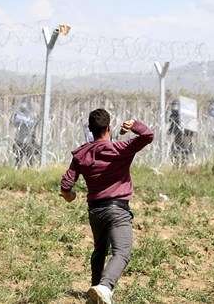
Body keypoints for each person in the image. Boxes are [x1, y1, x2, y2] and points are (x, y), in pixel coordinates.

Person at [59, 108, 153, 304]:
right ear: (109, 128)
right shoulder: (120, 149)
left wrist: (70, 195)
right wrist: (134, 125)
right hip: (117, 210)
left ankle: (94, 290)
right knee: (122, 252)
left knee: (99, 250)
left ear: (90, 129)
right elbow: (148, 135)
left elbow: (66, 185)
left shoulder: (81, 154)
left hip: (95, 211)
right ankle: (104, 286)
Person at [12, 99, 40, 167]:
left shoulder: (32, 115)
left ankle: (30, 173)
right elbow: (14, 123)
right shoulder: (18, 114)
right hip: (19, 140)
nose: (23, 105)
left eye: (24, 104)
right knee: (18, 161)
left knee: (30, 161)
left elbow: (35, 125)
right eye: (22, 103)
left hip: (29, 141)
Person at [167, 100, 194, 167]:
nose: (174, 108)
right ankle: (176, 164)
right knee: (173, 151)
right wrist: (170, 131)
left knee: (184, 151)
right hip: (177, 136)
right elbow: (172, 125)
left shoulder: (184, 115)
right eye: (173, 106)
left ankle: (184, 164)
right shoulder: (173, 115)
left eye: (176, 106)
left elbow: (189, 126)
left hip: (185, 136)